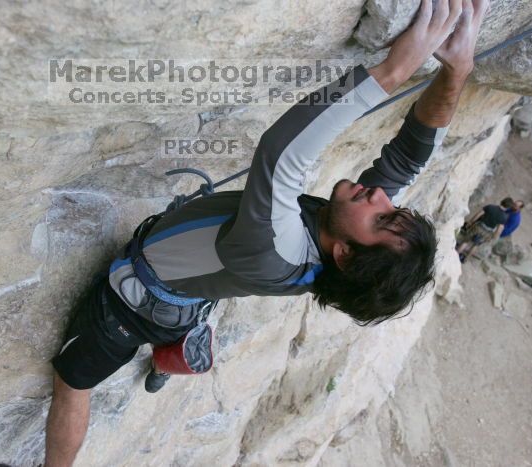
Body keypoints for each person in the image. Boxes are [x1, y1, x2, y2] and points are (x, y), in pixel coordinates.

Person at [44, 1, 489, 465]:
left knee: (74, 383)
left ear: (345, 256)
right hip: (195, 289)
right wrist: (457, 70)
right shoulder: (338, 241)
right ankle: (168, 359)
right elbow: (409, 157)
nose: (380, 198)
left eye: (382, 218)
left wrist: (393, 70)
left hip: (134, 306)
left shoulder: (274, 250)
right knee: (187, 307)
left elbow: (281, 151)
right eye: (390, 208)